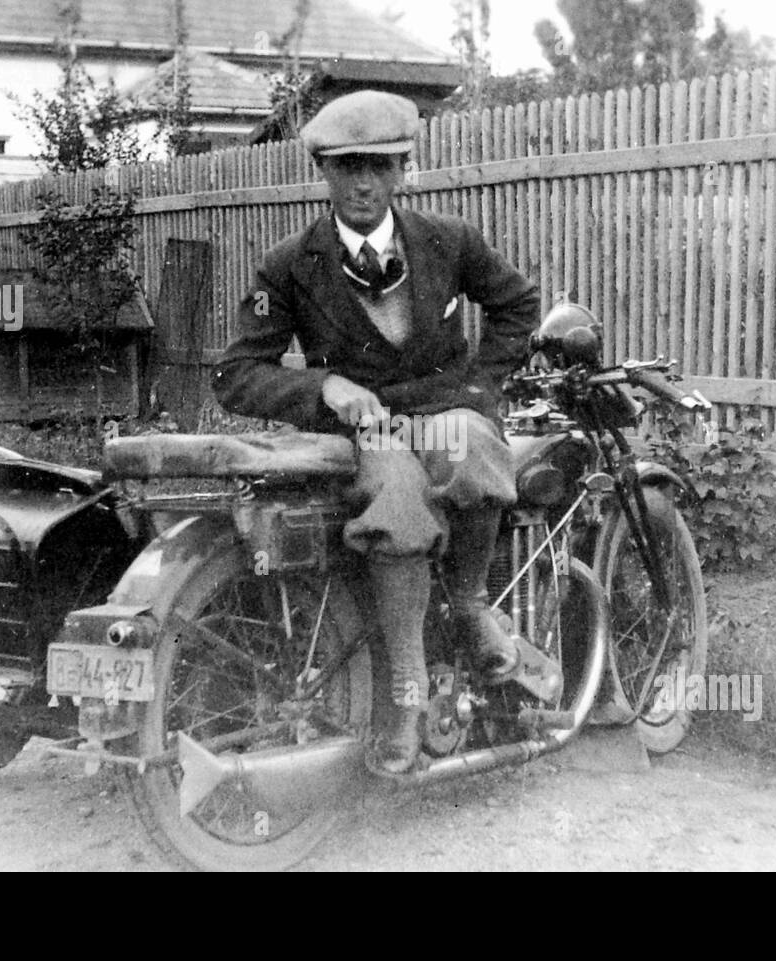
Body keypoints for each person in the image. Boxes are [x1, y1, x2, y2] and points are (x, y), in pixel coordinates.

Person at [213, 90, 540, 775]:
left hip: (445, 411)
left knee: (472, 446)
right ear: (324, 174)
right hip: (371, 432)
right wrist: (323, 389)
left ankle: (474, 601)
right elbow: (237, 372)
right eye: (345, 167)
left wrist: (480, 390)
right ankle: (407, 693)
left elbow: (518, 305)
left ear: (401, 171)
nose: (362, 183)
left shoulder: (449, 242)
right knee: (394, 496)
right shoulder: (291, 263)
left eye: (378, 166)